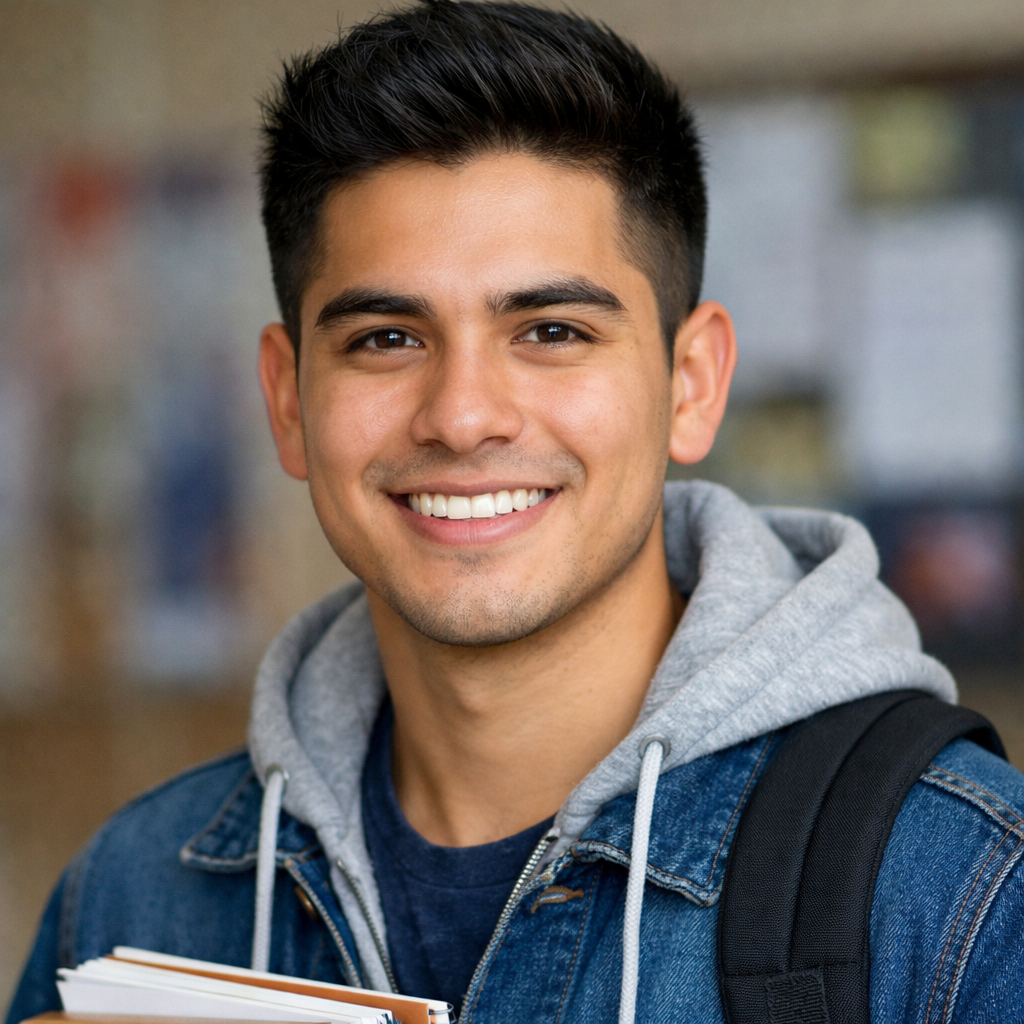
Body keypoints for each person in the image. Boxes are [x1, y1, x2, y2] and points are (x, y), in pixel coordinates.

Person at [9, 2, 1024, 1022]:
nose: (461, 416)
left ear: (691, 383)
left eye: (549, 329)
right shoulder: (133, 899)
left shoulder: (961, 899)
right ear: (286, 399)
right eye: (385, 339)